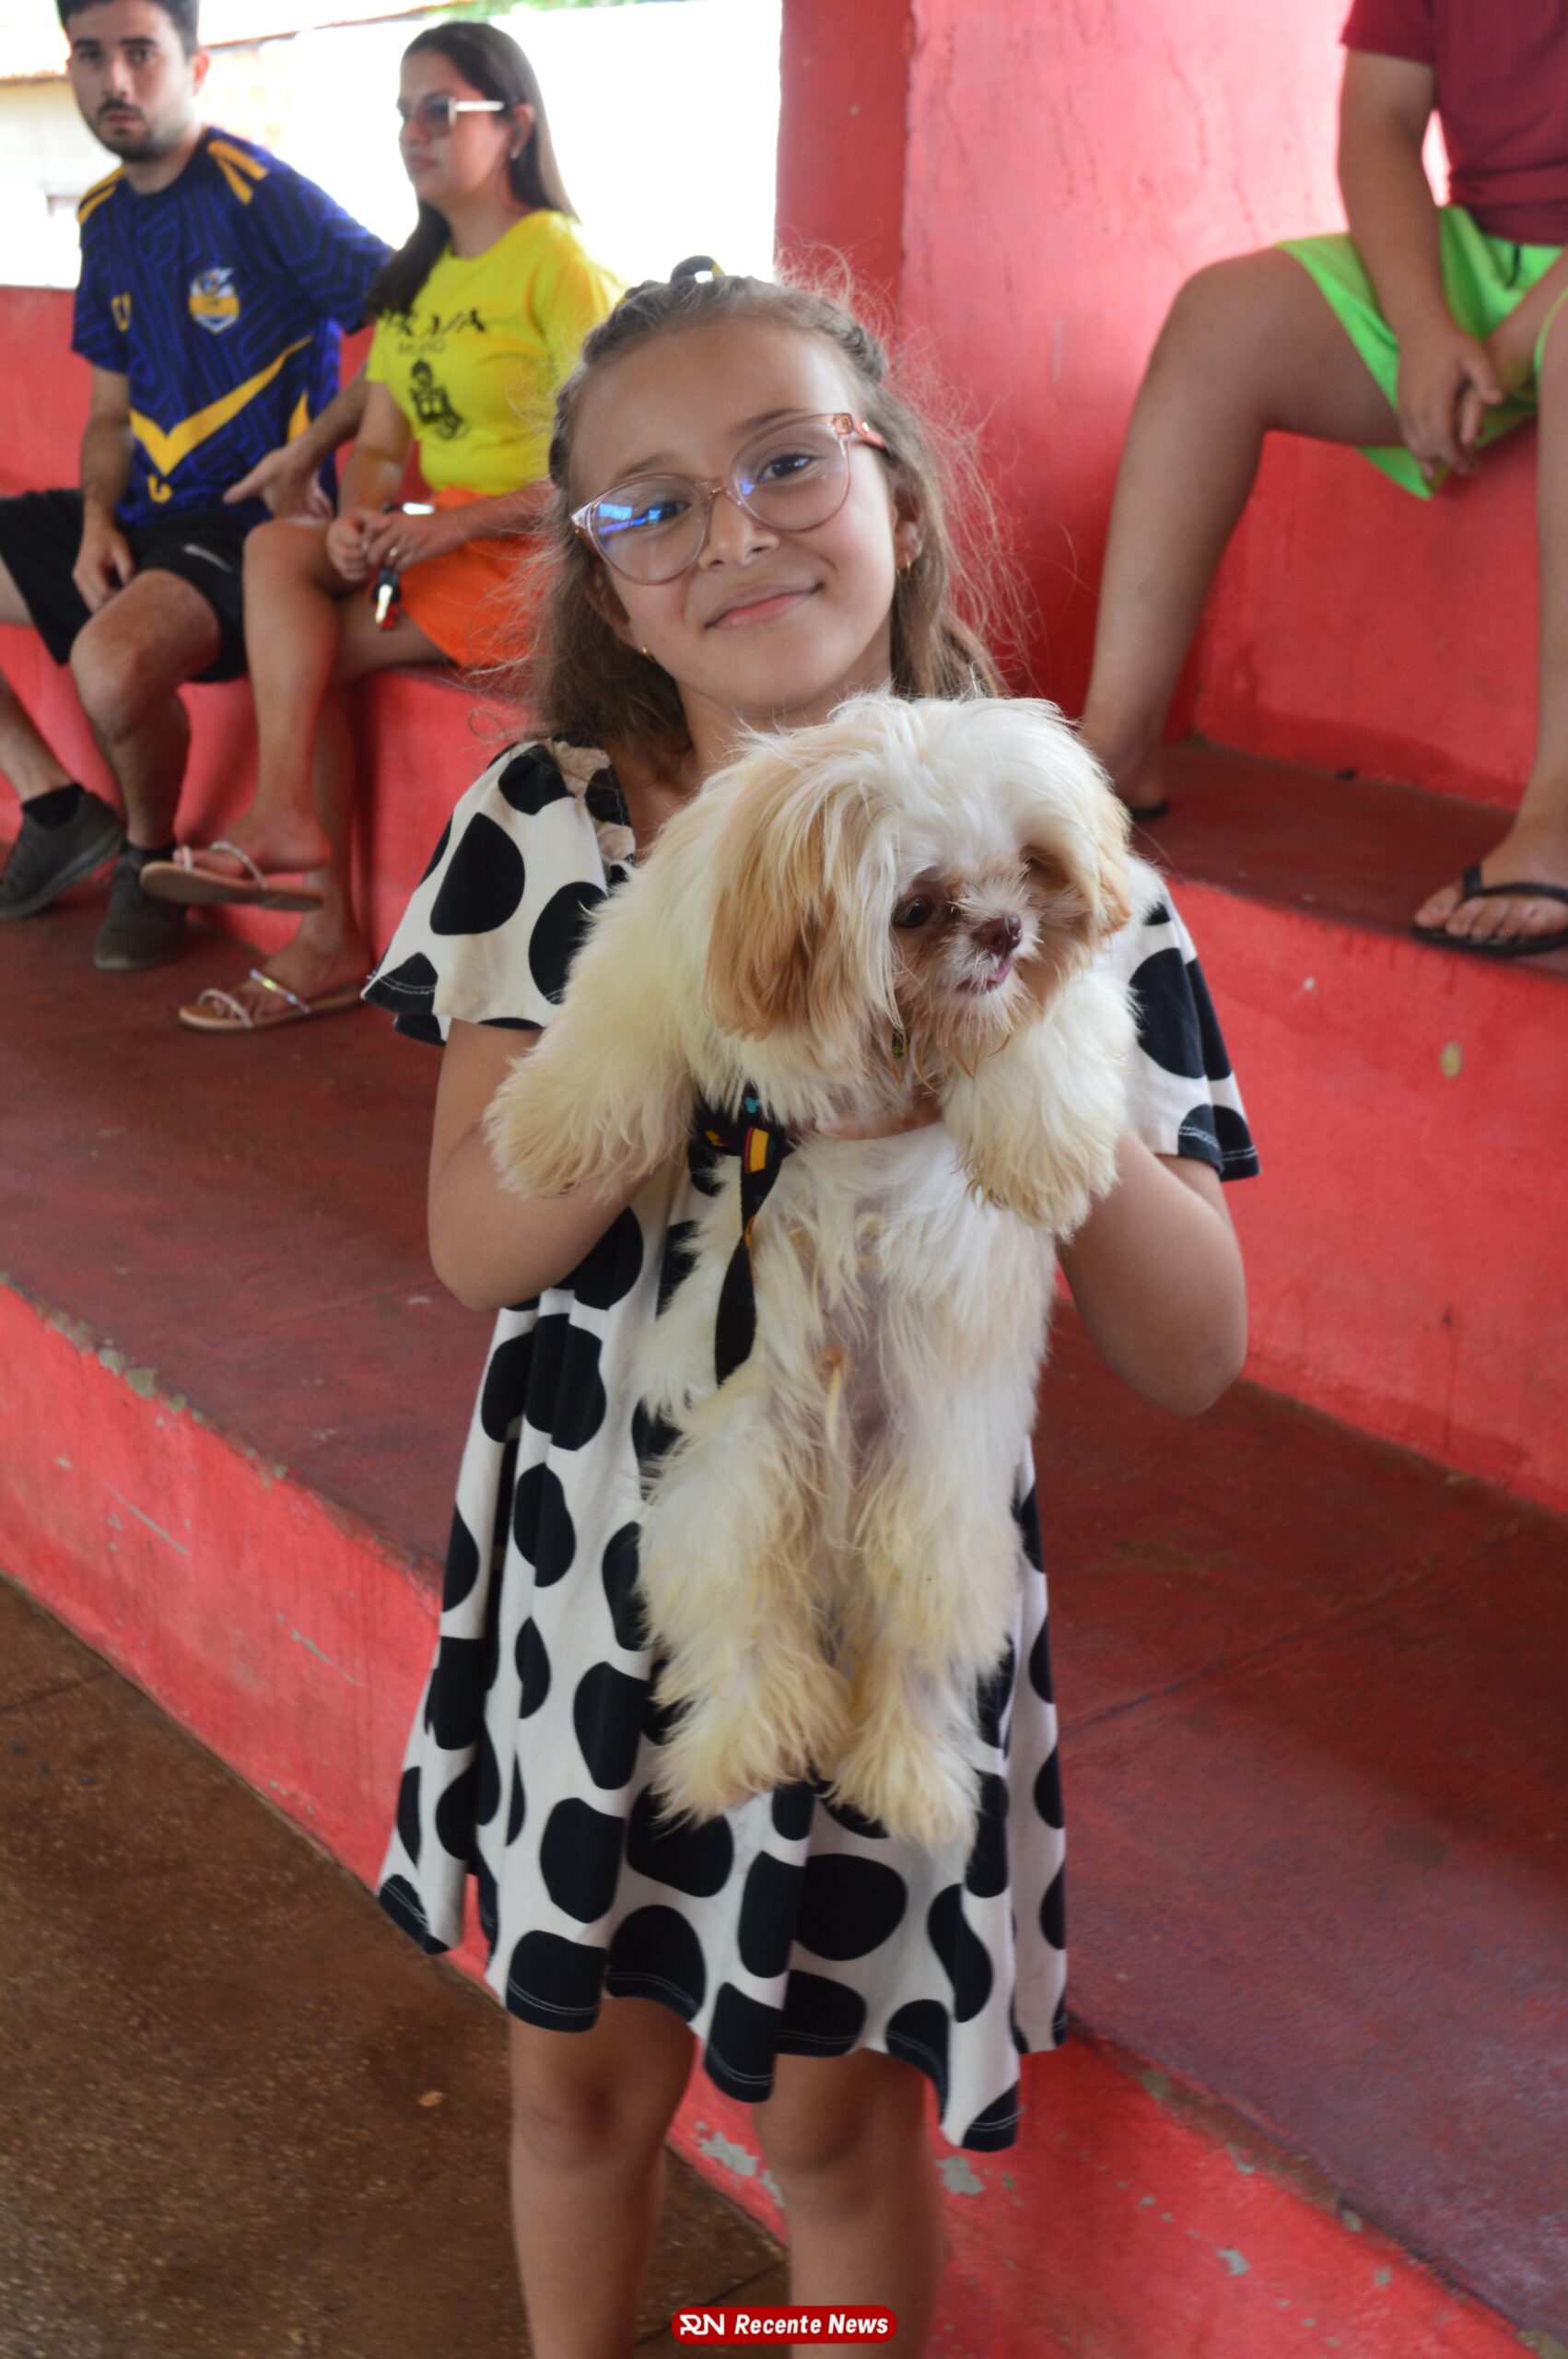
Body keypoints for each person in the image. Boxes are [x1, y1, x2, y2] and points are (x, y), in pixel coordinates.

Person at [362, 262, 1257, 2352]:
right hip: (594, 1565)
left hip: (886, 1602)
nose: (733, 531)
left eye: (787, 462)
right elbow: (477, 1242)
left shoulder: (1057, 858)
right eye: (649, 503)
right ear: (601, 576)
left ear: (901, 498)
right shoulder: (545, 829)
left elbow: (1193, 1346)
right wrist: (688, 1016)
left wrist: (1012, 1055)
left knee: (835, 2135)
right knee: (575, 2086)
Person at [145, 21, 624, 1036]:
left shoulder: (558, 263)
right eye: (404, 113)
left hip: (535, 557)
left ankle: (319, 918)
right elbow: (379, 440)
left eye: (440, 110)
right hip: (440, 544)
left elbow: (610, 466)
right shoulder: (416, 280)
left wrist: (455, 527)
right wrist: (362, 516)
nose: (414, 132)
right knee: (279, 549)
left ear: (515, 126)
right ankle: (286, 815)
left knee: (306, 649)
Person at [1080, 0, 1568, 960]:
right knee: (1221, 316)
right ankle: (1119, 743)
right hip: (1480, 255)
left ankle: (1561, 809)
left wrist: (1515, 345)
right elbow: (1379, 121)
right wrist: (1423, 325)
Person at [0, 0, 387, 971]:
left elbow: (422, 324)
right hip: (141, 514)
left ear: (196, 67)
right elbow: (109, 412)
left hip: (249, 531)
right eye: (91, 54)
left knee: (109, 664)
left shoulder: (262, 194)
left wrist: (313, 453)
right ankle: (54, 807)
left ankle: (145, 855)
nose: (115, 79)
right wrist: (96, 520)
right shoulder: (103, 216)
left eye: (141, 52)